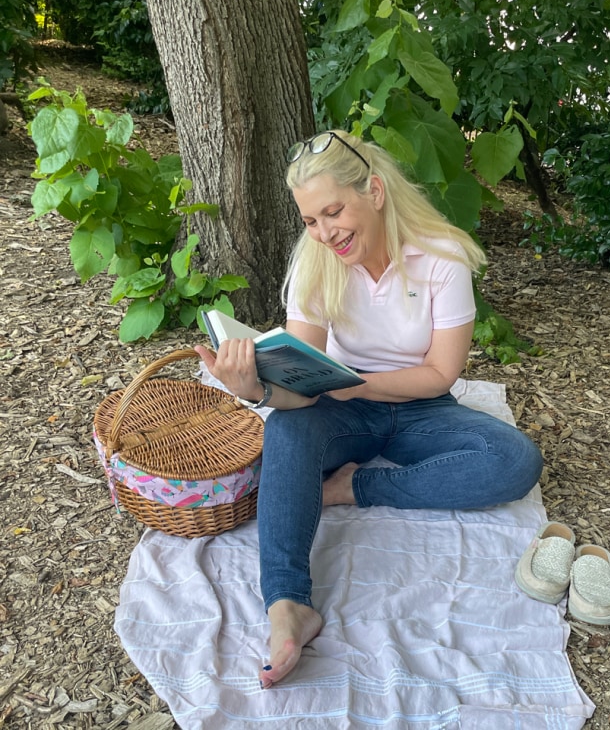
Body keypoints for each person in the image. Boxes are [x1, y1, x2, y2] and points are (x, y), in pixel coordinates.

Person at [195, 130, 544, 690]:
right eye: (311, 220)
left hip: (420, 405)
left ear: (375, 191)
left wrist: (356, 387)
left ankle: (349, 488)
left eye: (333, 211)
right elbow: (300, 385)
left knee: (514, 460)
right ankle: (287, 604)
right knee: (286, 427)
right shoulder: (315, 263)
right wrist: (256, 390)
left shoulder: (442, 256)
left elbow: (440, 373)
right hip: (341, 409)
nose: (324, 232)